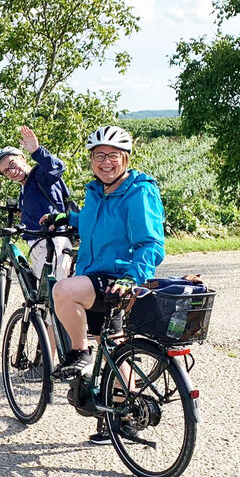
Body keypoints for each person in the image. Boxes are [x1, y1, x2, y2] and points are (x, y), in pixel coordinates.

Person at [41, 125, 165, 444]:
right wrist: (67, 219)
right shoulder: (96, 191)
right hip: (98, 274)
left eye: (112, 155)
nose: (105, 162)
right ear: (92, 160)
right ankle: (121, 418)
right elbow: (93, 220)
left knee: (63, 291)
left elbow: (151, 242)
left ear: (125, 158)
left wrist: (132, 277)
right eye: (99, 156)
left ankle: (78, 352)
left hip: (119, 277)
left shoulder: (139, 190)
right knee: (115, 346)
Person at [0, 125, 74, 359]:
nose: (11, 171)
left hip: (53, 244)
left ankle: (56, 358)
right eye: (6, 172)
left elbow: (56, 167)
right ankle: (47, 358)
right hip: (42, 244)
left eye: (12, 164)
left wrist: (37, 150)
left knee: (54, 300)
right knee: (50, 301)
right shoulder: (25, 187)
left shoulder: (39, 174)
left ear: (21, 157)